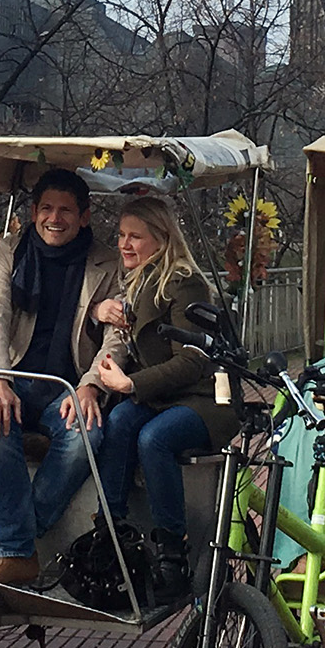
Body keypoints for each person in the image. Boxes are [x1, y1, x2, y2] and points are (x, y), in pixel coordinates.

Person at [0, 169, 119, 586]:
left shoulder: (107, 262)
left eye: (66, 210)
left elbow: (116, 337)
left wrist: (91, 384)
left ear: (84, 216)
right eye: (47, 208)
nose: (55, 218)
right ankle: (17, 550)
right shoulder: (11, 251)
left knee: (85, 436)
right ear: (33, 212)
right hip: (10, 375)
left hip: (67, 387)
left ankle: (9, 546)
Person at [89, 194, 229, 601]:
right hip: (161, 395)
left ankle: (173, 550)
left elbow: (192, 361)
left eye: (135, 237)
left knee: (155, 438)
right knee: (117, 423)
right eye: (121, 235)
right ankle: (110, 533)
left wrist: (131, 385)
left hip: (203, 397)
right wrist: (99, 311)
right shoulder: (134, 281)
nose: (125, 244)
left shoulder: (184, 283)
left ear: (162, 238)